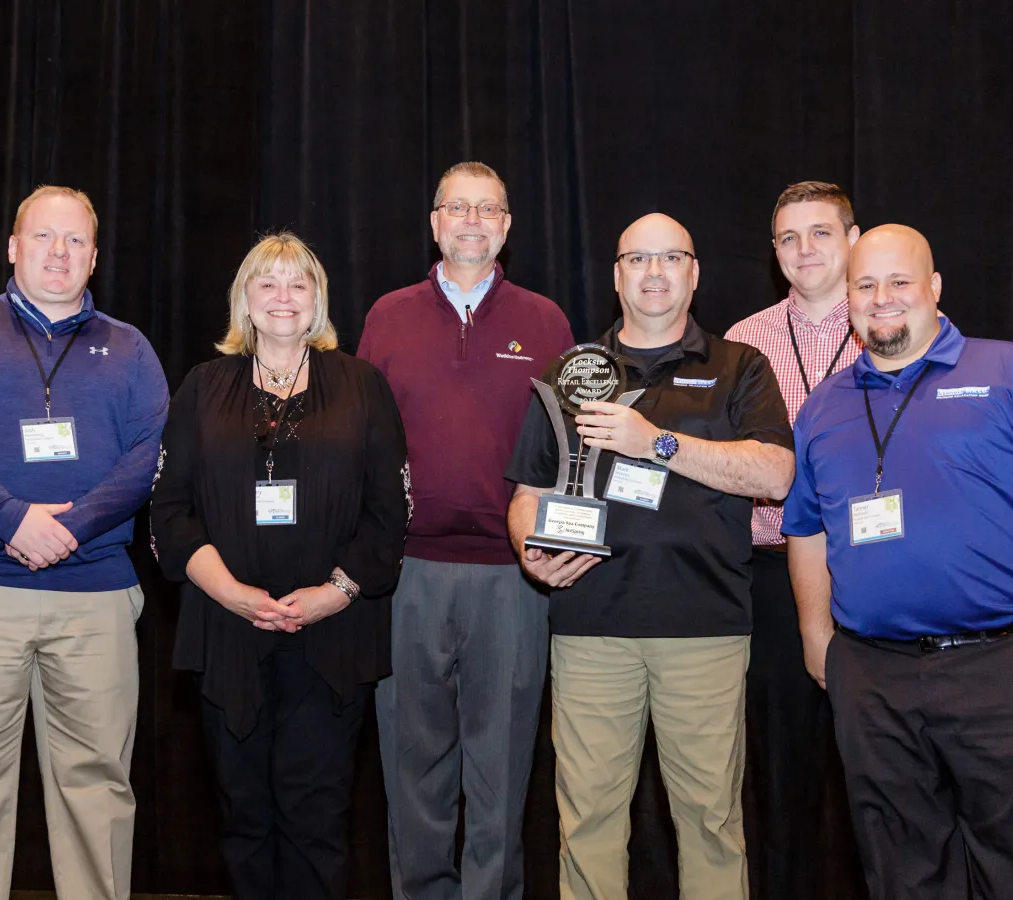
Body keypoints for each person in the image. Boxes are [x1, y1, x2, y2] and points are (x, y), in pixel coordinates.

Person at [783, 224, 1013, 900]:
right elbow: (806, 529)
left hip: (1009, 669)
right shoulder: (822, 408)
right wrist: (820, 640)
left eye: (899, 281)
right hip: (873, 678)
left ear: (933, 288)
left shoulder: (1012, 372)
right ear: (847, 297)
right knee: (900, 874)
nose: (882, 298)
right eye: (865, 285)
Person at [505, 213, 795, 900]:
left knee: (711, 822)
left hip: (706, 629)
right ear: (616, 275)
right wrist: (529, 548)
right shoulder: (571, 371)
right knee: (589, 822)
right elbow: (526, 490)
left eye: (671, 258)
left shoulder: (739, 366)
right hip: (590, 627)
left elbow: (775, 476)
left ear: (695, 272)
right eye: (638, 259)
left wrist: (656, 442)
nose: (655, 273)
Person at [0, 185, 168, 900]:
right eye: (44, 237)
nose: (59, 252)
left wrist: (68, 527)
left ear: (95, 257)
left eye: (75, 241)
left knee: (99, 787)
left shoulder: (130, 347)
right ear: (12, 247)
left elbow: (147, 457)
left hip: (97, 594)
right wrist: (13, 518)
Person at [150, 232, 409, 900]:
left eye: (299, 283)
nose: (283, 296)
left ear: (318, 299)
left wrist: (335, 592)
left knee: (316, 820)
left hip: (331, 638)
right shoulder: (204, 387)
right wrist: (232, 592)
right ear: (245, 299)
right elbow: (170, 511)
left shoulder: (361, 386)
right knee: (243, 820)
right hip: (227, 632)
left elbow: (390, 512)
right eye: (267, 282)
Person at [358, 160, 573, 900]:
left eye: (488, 209)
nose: (472, 222)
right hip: (406, 575)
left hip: (513, 578)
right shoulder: (388, 315)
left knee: (502, 766)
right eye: (457, 208)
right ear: (435, 222)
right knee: (410, 763)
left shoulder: (547, 323)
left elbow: (566, 454)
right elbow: (363, 443)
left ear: (507, 226)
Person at [722, 181, 861, 899]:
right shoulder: (743, 342)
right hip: (770, 579)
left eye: (820, 233)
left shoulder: (893, 324)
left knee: (880, 773)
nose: (804, 250)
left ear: (852, 237)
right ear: (773, 251)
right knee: (780, 773)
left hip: (874, 576)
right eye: (788, 238)